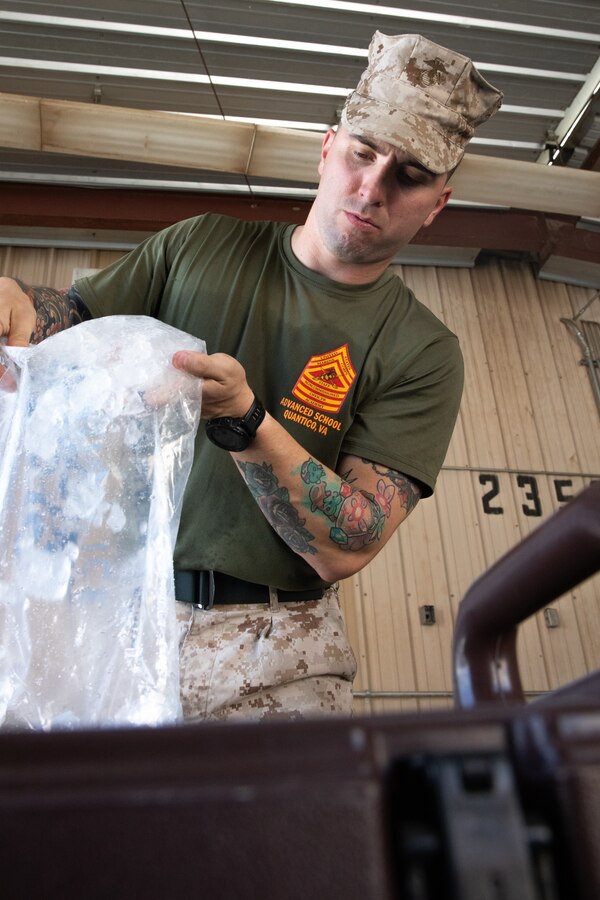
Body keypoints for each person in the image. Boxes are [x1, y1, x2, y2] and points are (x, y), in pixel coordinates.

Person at [0, 32, 503, 721]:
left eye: (409, 176)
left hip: (278, 651)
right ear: (327, 149)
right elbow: (70, 326)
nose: (372, 188)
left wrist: (245, 421)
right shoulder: (199, 244)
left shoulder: (423, 350)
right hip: (123, 624)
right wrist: (23, 307)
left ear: (437, 203)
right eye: (362, 153)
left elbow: (348, 544)